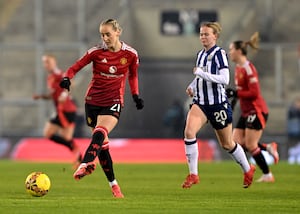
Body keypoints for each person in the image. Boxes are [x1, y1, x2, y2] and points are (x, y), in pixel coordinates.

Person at [60, 19, 144, 198]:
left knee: (101, 131)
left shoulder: (130, 54)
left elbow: (133, 75)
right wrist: (67, 78)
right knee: (103, 146)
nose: (105, 38)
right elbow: (74, 67)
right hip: (92, 102)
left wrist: (135, 95)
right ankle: (114, 185)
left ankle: (86, 162)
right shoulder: (96, 52)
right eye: (102, 35)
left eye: (108, 34)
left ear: (118, 32)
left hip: (113, 101)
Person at [182, 22, 255, 189]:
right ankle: (194, 174)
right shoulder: (200, 54)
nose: (203, 37)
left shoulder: (220, 54)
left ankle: (247, 169)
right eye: (201, 34)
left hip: (217, 105)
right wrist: (193, 85)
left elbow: (224, 79)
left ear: (215, 36)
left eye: (207, 34)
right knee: (189, 132)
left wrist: (201, 73)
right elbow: (200, 76)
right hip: (201, 102)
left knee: (227, 144)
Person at [227, 32, 279, 183]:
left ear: (239, 51)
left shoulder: (249, 68)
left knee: (250, 145)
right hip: (246, 112)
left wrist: (237, 92)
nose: (230, 52)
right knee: (235, 142)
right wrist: (234, 102)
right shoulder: (238, 68)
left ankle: (268, 175)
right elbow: (241, 91)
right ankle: (268, 147)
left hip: (257, 110)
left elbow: (255, 92)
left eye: (231, 49)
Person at [33, 54, 82, 167]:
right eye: (45, 62)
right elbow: (53, 94)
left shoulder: (59, 74)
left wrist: (64, 94)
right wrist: (41, 97)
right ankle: (79, 157)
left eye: (48, 62)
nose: (46, 65)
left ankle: (77, 152)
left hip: (66, 110)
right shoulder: (50, 78)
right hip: (66, 110)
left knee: (48, 133)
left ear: (54, 62)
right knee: (66, 138)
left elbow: (70, 83)